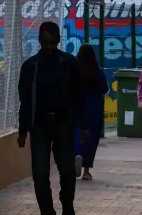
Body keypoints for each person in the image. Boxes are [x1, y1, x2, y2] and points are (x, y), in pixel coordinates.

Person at [18, 21, 87, 215]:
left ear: (58, 40)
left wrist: (84, 126)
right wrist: (23, 131)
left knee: (67, 170)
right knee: (40, 173)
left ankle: (67, 206)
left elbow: (79, 95)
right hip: (39, 126)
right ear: (39, 40)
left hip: (63, 124)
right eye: (45, 42)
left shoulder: (68, 63)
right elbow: (25, 101)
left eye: (53, 42)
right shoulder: (31, 66)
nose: (49, 47)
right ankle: (47, 211)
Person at [74, 44, 109, 180]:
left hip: (77, 107)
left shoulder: (74, 70)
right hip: (94, 109)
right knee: (91, 137)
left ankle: (76, 155)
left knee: (76, 134)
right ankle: (86, 171)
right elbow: (105, 90)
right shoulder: (98, 72)